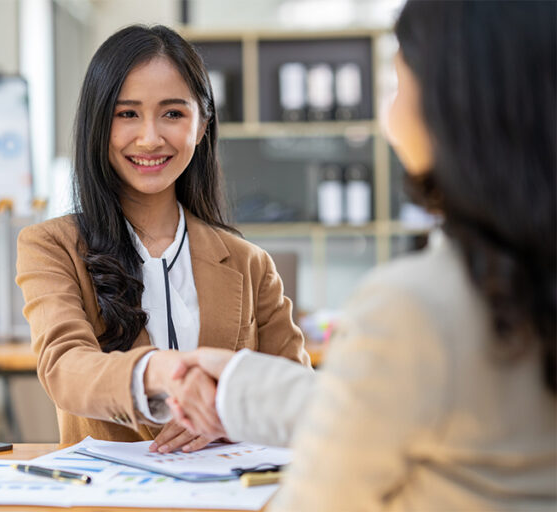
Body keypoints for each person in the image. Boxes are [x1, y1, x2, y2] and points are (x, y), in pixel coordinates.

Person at [165, 1, 557, 509]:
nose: (387, 111)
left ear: (451, 102)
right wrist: (238, 385)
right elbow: (383, 406)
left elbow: (320, 495)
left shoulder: (413, 306)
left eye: (398, 81)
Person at [15, 25, 309, 451]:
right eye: (126, 114)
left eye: (173, 113)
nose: (150, 138)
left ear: (202, 125)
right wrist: (163, 371)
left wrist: (228, 416)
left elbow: (298, 399)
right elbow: (64, 367)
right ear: (99, 124)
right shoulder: (51, 246)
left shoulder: (250, 264)